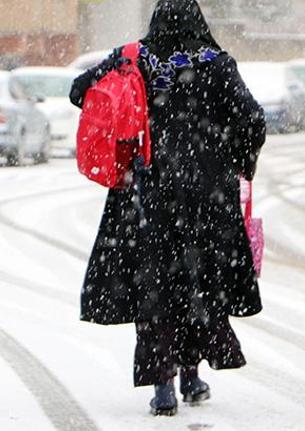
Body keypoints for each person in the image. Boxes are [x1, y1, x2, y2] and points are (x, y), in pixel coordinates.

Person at [69, 0, 266, 417]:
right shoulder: (217, 62)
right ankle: (191, 375)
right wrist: (235, 160)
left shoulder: (132, 58)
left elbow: (78, 91)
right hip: (206, 197)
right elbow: (251, 119)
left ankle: (162, 385)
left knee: (155, 285)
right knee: (196, 281)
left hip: (147, 192)